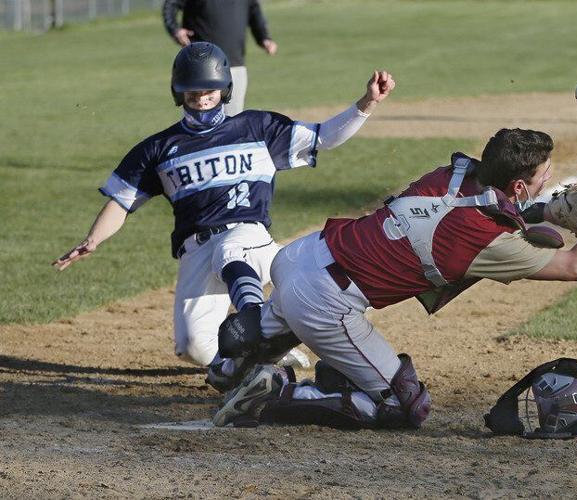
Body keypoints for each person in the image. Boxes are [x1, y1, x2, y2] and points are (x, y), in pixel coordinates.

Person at [211, 128, 577, 429]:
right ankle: (279, 394)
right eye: (543, 176)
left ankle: (235, 356)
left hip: (302, 255)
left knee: (289, 315)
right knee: (404, 407)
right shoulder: (481, 243)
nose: (551, 179)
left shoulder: (451, 174)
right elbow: (575, 267)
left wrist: (543, 211)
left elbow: (481, 211)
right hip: (326, 301)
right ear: (517, 186)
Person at [52, 42, 396, 392]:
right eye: (192, 91)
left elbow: (324, 137)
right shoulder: (158, 150)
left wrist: (366, 104)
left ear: (224, 89)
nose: (201, 97)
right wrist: (92, 239)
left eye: (209, 90)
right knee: (196, 348)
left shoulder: (257, 128)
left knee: (230, 249)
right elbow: (122, 201)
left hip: (249, 240)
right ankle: (273, 341)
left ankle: (257, 331)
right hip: (197, 250)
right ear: (178, 93)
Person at [163, 0, 278, 116]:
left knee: (232, 119)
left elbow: (253, 9)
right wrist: (175, 29)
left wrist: (263, 37)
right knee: (197, 121)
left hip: (235, 63)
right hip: (199, 69)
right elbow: (171, 4)